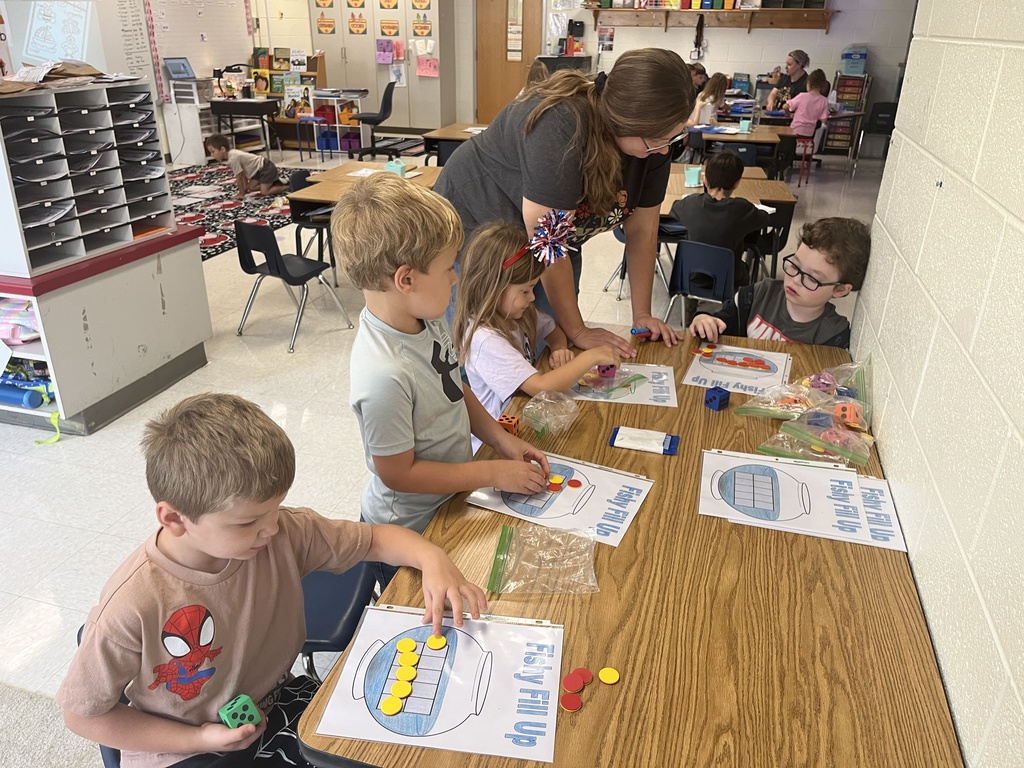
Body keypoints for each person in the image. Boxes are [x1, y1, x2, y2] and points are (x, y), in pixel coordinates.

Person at [57, 393, 486, 768]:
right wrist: (199, 738)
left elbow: (376, 538)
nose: (270, 530)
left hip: (275, 701)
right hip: (185, 749)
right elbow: (83, 715)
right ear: (174, 519)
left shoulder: (280, 532)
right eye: (248, 522)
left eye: (275, 510)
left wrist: (432, 557)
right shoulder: (133, 603)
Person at [330, 174, 551, 591]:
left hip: (448, 502)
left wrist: (501, 441)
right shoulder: (383, 375)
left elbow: (455, 387)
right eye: (449, 268)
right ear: (406, 279)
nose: (455, 279)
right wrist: (490, 473)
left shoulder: (424, 319)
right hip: (407, 534)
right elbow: (399, 475)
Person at [435, 48, 695, 360]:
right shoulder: (560, 126)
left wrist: (641, 316)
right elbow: (548, 243)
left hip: (548, 237)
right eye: (658, 140)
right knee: (488, 353)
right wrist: (578, 329)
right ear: (623, 121)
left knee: (549, 347)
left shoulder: (653, 144)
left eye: (674, 139)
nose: (665, 151)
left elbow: (642, 232)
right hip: (480, 227)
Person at [453, 221, 620, 450]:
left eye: (533, 288)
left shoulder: (515, 312)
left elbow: (551, 330)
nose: (532, 298)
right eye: (525, 290)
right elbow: (541, 386)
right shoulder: (484, 340)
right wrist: (592, 357)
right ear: (493, 287)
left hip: (525, 419)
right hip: (495, 445)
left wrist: (559, 346)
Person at [688, 217, 870, 349]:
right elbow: (720, 322)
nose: (795, 279)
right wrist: (703, 319)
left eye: (812, 278)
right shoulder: (760, 293)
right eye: (795, 265)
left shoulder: (833, 335)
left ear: (839, 290)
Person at [669, 151, 770, 285]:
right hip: (729, 280)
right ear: (736, 183)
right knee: (745, 264)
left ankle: (690, 303)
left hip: (691, 278)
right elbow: (764, 219)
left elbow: (674, 208)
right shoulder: (742, 209)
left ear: (705, 180)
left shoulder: (690, 204)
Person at [776, 68, 832, 179]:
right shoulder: (824, 100)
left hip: (795, 130)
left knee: (781, 141)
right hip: (809, 134)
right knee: (791, 143)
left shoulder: (802, 96)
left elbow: (786, 106)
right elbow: (824, 119)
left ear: (808, 83)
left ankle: (782, 168)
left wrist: (787, 111)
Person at [204, 133, 288, 199]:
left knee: (264, 192)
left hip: (266, 168)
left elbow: (239, 178)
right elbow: (242, 175)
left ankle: (287, 186)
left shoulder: (233, 158)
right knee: (251, 188)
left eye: (213, 151)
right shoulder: (232, 154)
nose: (212, 155)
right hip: (258, 171)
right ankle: (273, 182)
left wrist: (241, 194)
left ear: (222, 149)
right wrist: (244, 189)